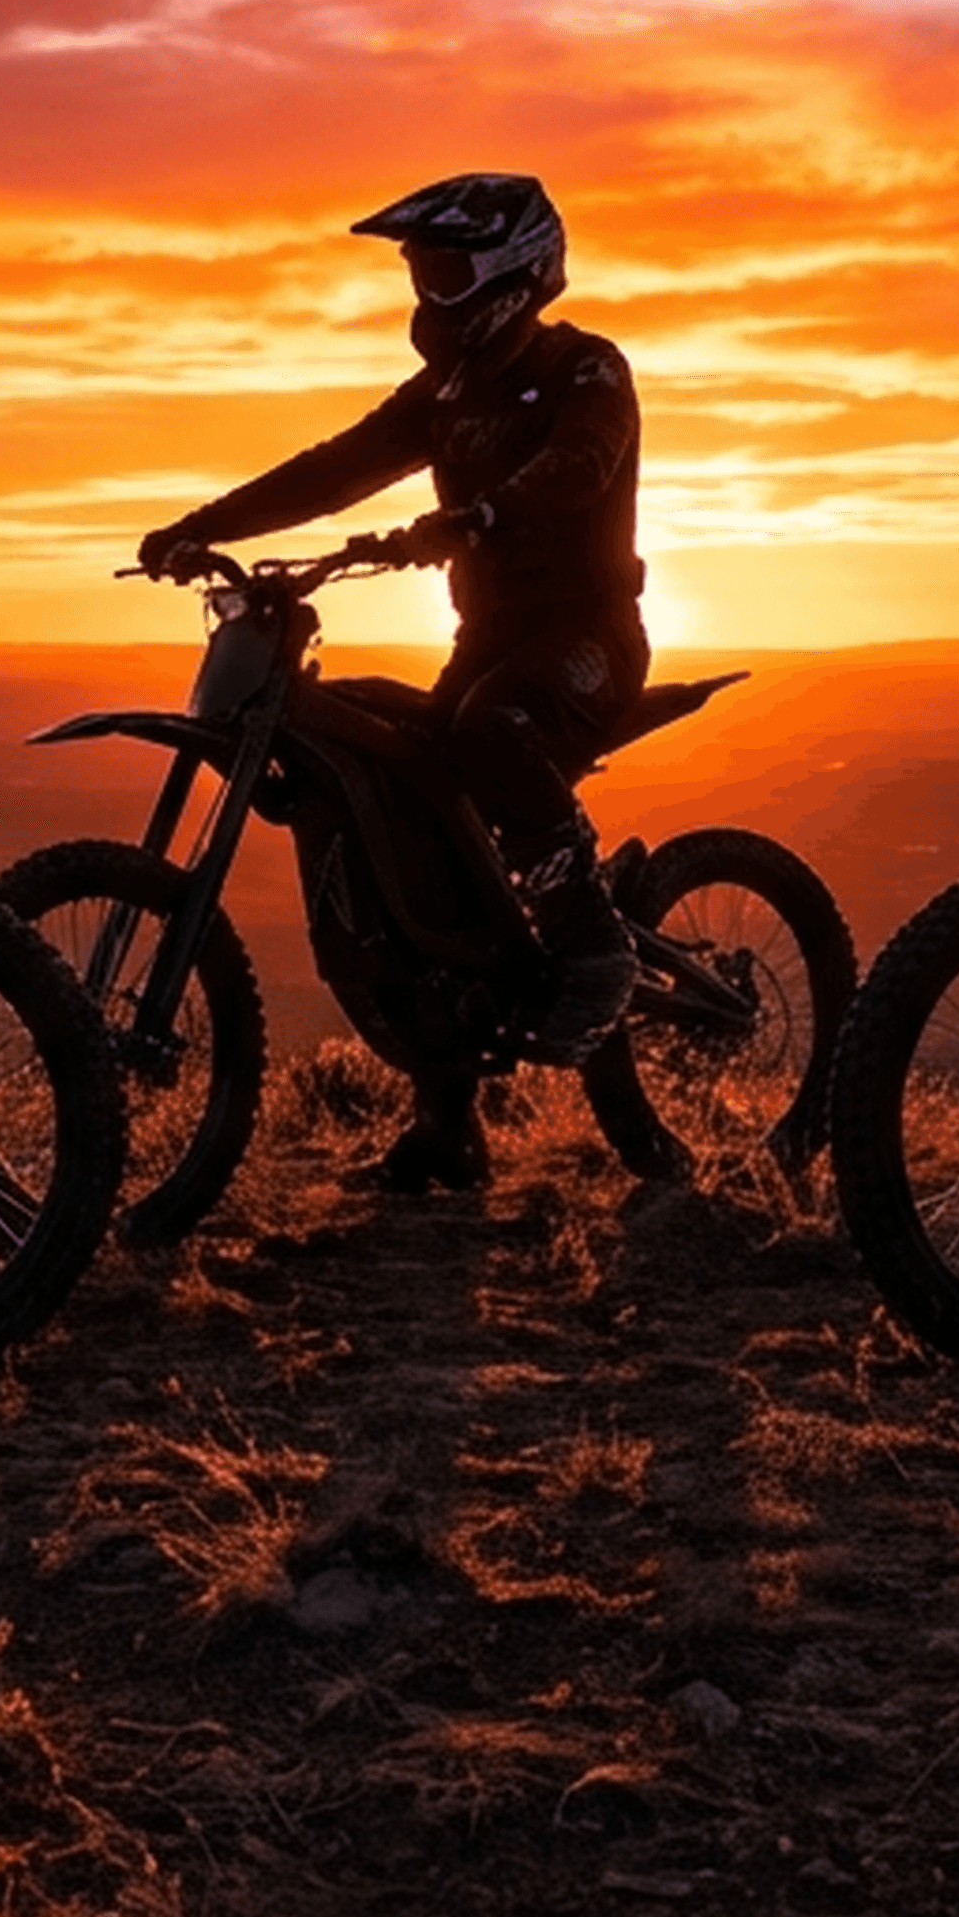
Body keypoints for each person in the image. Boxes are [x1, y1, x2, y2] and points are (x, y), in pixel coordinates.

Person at [138, 172, 647, 1192]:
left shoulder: (584, 369)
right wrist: (206, 525)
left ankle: (595, 948)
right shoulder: (442, 399)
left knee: (491, 733)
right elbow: (336, 467)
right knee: (390, 768)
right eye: (420, 270)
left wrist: (480, 516)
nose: (426, 292)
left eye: (444, 269)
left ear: (511, 274)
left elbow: (579, 469)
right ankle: (448, 1124)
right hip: (487, 641)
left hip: (584, 645)